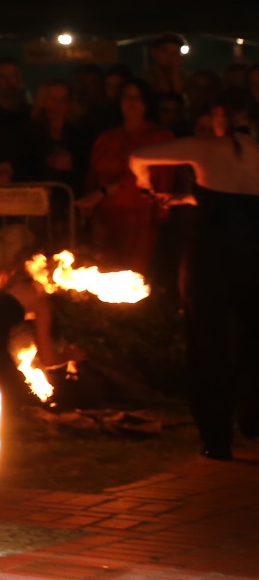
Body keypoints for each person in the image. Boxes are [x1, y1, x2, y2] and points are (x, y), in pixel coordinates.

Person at [130, 90, 259, 461]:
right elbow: (240, 200)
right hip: (255, 259)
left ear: (220, 116)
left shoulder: (204, 148)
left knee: (208, 345)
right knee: (255, 342)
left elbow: (139, 156)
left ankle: (217, 440)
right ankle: (254, 421)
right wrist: (187, 199)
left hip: (212, 260)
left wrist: (144, 183)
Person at [81, 79, 171, 273]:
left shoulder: (160, 138)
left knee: (133, 272)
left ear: (146, 102)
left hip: (139, 217)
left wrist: (103, 192)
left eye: (137, 97)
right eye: (126, 97)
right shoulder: (106, 138)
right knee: (103, 268)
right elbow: (93, 174)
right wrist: (92, 205)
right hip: (104, 215)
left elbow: (151, 176)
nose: (131, 102)